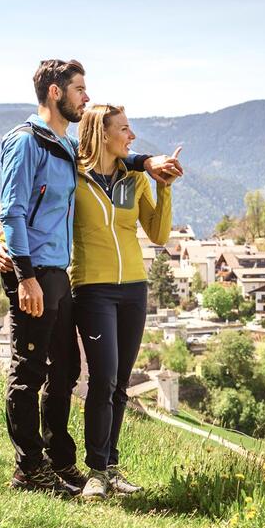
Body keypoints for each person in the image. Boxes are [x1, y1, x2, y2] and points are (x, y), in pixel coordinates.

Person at [0, 59, 182, 496]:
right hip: (58, 280)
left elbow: (150, 222)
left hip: (82, 278)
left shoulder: (66, 150)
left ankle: (67, 463)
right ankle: (38, 468)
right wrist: (11, 258)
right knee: (45, 374)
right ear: (57, 93)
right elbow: (11, 207)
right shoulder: (37, 148)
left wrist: (150, 169)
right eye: (79, 88)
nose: (85, 94)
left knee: (67, 372)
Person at [71, 104, 177, 498]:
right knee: (103, 377)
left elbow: (160, 234)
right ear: (102, 134)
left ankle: (111, 468)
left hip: (134, 288)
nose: (131, 137)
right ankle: (95, 472)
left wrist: (163, 185)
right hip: (92, 287)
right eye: (125, 130)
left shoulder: (136, 179)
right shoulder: (74, 177)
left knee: (120, 385)